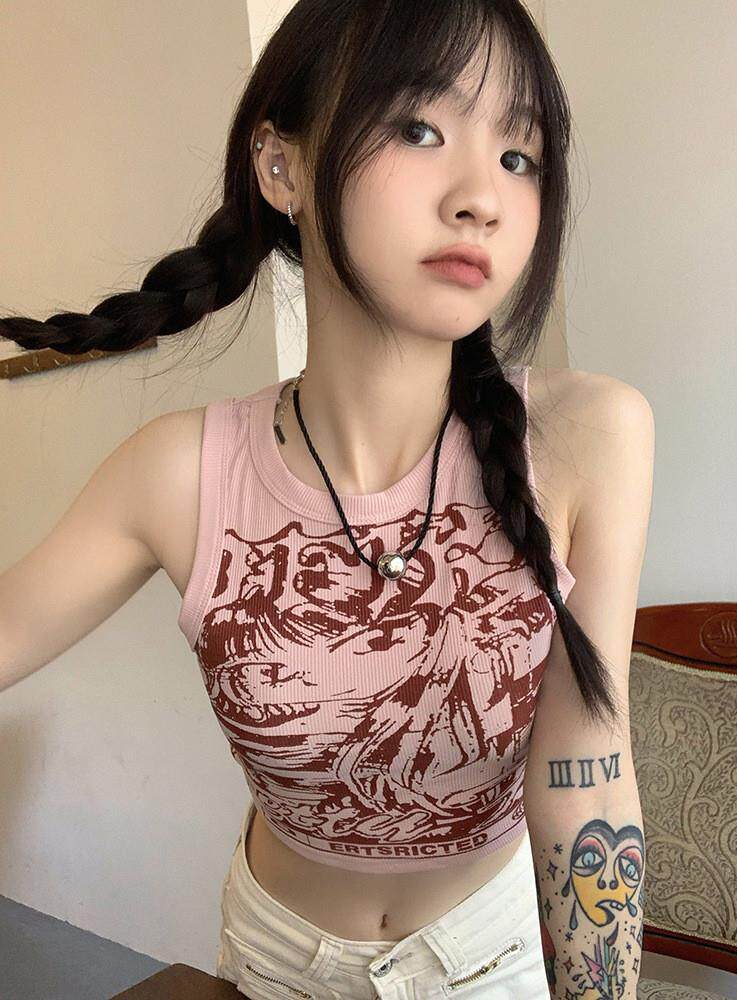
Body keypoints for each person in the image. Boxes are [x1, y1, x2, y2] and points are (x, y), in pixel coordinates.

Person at [0, 2, 655, 998]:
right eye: (420, 129)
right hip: (273, 962)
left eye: (519, 155)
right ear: (284, 167)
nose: (482, 196)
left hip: (488, 961)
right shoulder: (178, 470)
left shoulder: (588, 437)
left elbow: (586, 784)